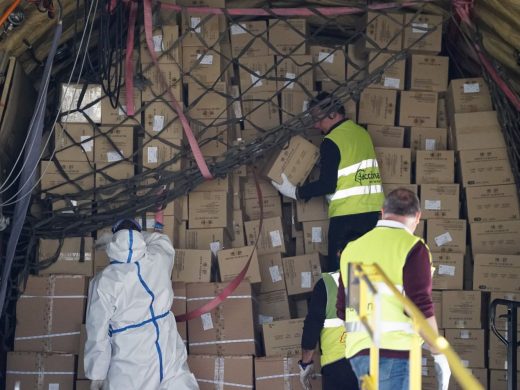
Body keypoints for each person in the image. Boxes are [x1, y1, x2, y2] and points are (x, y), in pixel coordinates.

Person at [337, 188, 451, 390]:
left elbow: (344, 308)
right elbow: (419, 307)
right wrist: (438, 352)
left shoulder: (352, 249)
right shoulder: (412, 247)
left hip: (360, 354)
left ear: (383, 211)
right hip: (395, 353)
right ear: (417, 217)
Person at [271, 91, 384, 272]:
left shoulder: (332, 141)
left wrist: (295, 192)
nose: (316, 125)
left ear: (332, 113)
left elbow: (327, 184)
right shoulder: (362, 134)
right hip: (373, 216)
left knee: (338, 274)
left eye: (317, 118)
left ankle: (339, 302)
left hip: (347, 219)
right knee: (366, 273)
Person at [84, 218, 199, 390]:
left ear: (114, 240)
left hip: (131, 364)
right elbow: (160, 240)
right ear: (140, 236)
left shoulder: (104, 282)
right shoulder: (159, 258)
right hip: (167, 354)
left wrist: (97, 374)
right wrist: (138, 236)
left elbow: (98, 332)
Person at [299, 271, 359, 390]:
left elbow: (312, 327)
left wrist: (305, 364)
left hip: (338, 366)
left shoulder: (327, 285)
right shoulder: (378, 280)